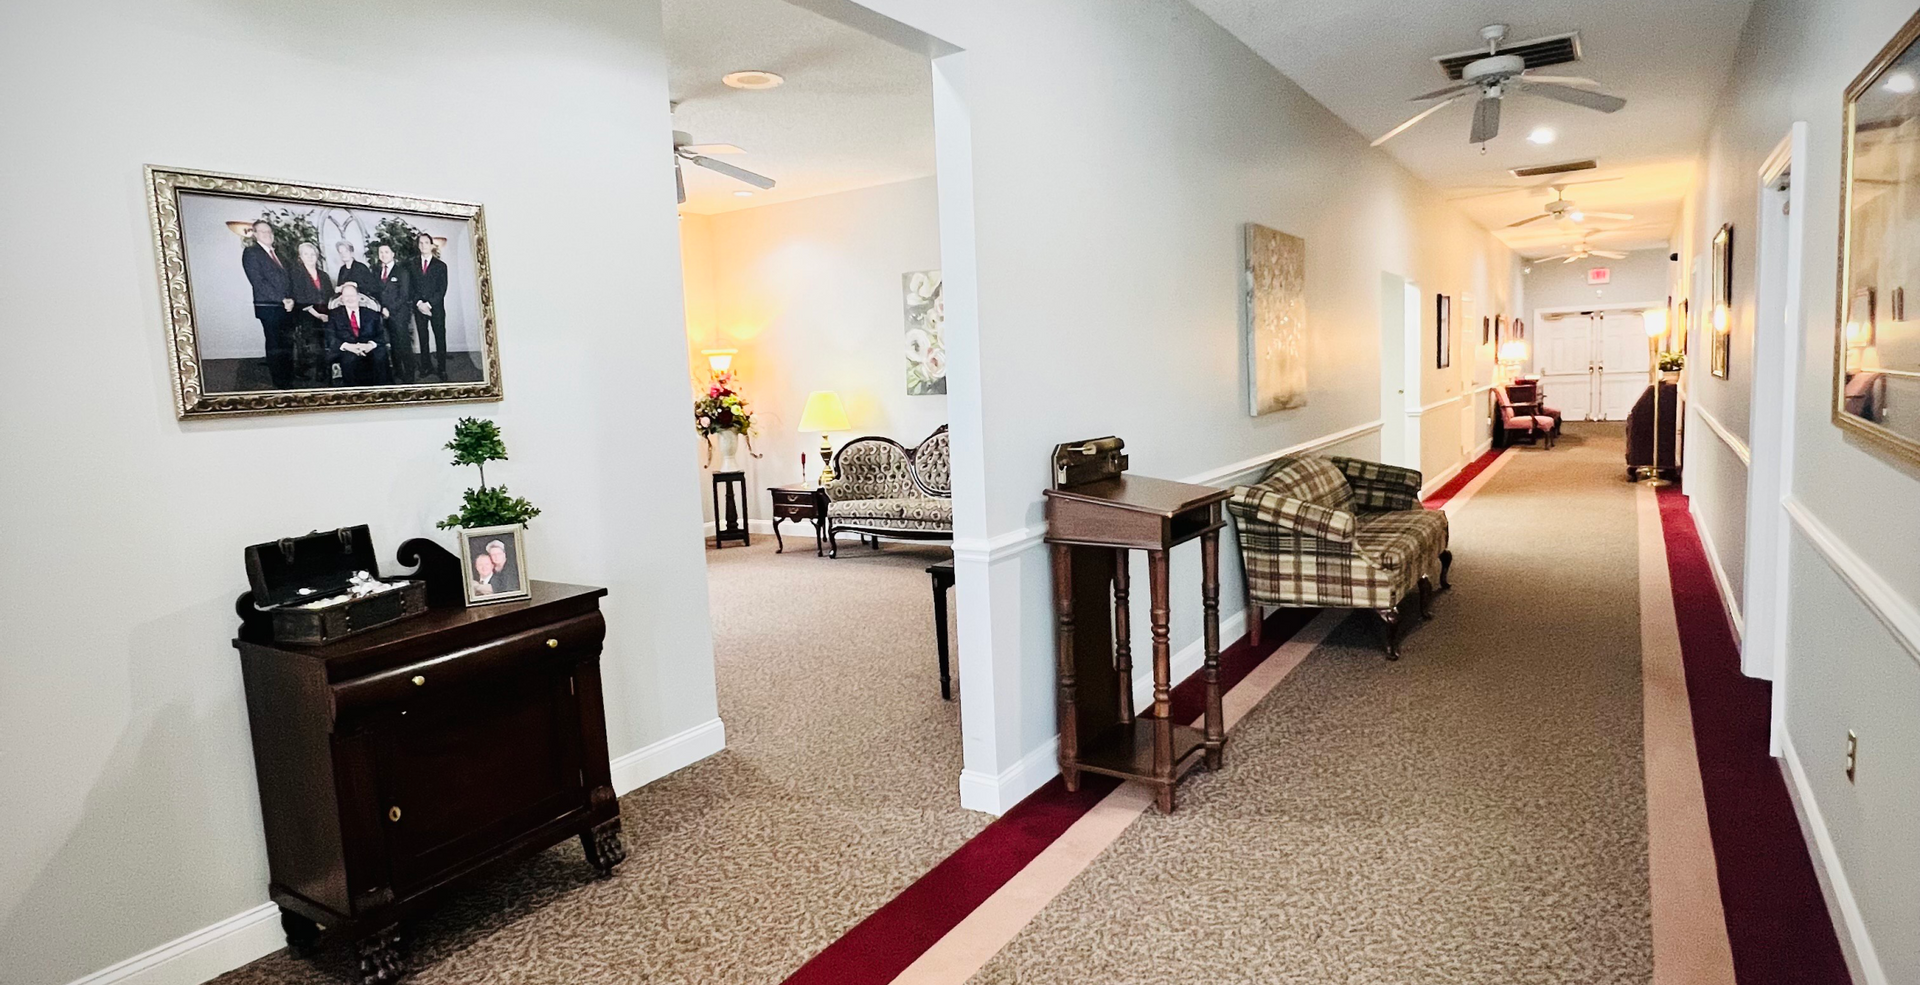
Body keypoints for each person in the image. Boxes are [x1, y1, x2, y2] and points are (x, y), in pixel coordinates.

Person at [240, 220, 296, 388]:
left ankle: (288, 377)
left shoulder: (280, 253)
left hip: (286, 306)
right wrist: (282, 299)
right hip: (269, 307)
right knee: (275, 344)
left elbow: (289, 280)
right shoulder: (251, 253)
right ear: (255, 234)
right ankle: (280, 383)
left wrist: (291, 298)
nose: (268, 234)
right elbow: (258, 282)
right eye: (263, 231)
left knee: (286, 343)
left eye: (269, 231)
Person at [287, 242, 335, 384]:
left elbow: (330, 296)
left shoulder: (323, 275)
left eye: (312, 254)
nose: (310, 257)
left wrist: (330, 313)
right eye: (306, 254)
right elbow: (300, 297)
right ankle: (318, 372)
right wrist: (318, 315)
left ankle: (329, 368)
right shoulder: (296, 274)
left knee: (333, 334)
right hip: (306, 312)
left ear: (317, 256)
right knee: (316, 339)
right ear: (300, 257)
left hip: (325, 312)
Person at [327, 282, 391, 386]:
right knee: (349, 359)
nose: (349, 298)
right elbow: (330, 336)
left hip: (368, 346)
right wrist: (348, 346)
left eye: (352, 295)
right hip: (347, 347)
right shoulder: (334, 315)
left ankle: (380, 392)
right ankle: (352, 395)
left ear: (358, 297)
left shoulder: (371, 314)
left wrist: (370, 345)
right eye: (346, 296)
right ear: (342, 298)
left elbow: (382, 334)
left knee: (380, 355)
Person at [371, 244, 416, 383]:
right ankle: (398, 372)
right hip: (383, 314)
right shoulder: (377, 271)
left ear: (393, 254)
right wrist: (381, 308)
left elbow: (404, 295)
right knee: (393, 345)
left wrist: (389, 310)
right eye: (381, 252)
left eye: (386, 252)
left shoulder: (402, 271)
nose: (383, 255)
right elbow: (375, 292)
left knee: (404, 345)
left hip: (398, 314)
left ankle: (409, 375)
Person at [412, 232, 450, 380]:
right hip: (419, 307)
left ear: (431, 245)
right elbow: (411, 287)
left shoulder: (441, 266)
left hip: (436, 308)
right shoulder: (412, 264)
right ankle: (426, 366)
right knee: (423, 338)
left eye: (426, 243)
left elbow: (442, 289)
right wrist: (420, 304)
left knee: (440, 338)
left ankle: (442, 369)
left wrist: (428, 304)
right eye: (420, 243)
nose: (423, 246)